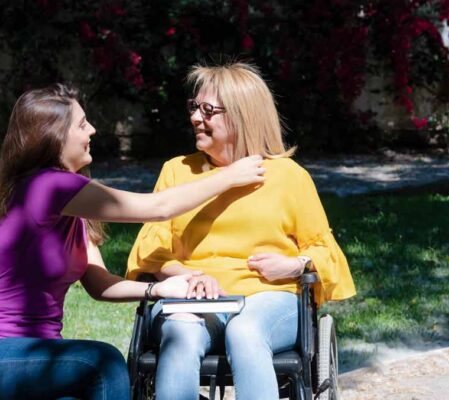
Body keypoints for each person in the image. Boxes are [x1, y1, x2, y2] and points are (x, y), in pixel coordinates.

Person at [0, 83, 266, 400]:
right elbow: (157, 208)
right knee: (104, 363)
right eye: (82, 124)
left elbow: (99, 284)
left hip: (33, 360)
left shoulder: (70, 209)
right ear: (56, 135)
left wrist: (158, 289)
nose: (94, 130)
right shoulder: (48, 186)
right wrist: (228, 177)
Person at [126, 63, 357, 400]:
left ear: (242, 116)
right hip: (191, 299)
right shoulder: (176, 171)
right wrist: (187, 275)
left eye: (208, 110)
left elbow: (324, 250)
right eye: (194, 107)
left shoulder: (288, 176)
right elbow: (152, 251)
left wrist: (295, 264)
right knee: (180, 334)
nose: (194, 118)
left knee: (246, 330)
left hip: (267, 297)